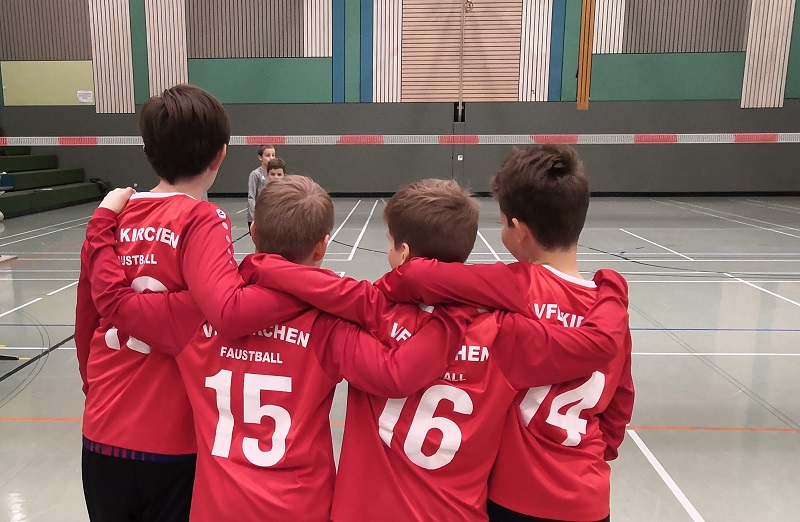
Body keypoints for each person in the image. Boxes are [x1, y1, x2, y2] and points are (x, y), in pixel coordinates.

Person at [83, 176, 479, 521]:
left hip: (218, 507)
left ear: (254, 233)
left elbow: (117, 304)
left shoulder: (196, 316)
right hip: (300, 506)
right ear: (323, 247)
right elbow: (394, 373)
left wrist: (101, 226)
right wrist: (454, 310)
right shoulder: (330, 327)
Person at [240, 177, 631, 520]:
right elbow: (592, 359)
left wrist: (266, 268)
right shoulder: (502, 332)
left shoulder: (369, 315)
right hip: (457, 511)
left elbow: (332, 294)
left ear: (405, 255)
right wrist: (613, 292)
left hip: (365, 511)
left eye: (391, 246)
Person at [74, 84, 308, 521]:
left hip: (102, 426)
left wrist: (96, 388)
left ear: (148, 152)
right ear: (220, 155)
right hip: (172, 435)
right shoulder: (202, 218)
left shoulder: (113, 216)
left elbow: (86, 320)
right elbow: (222, 310)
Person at [376, 146, 635, 522]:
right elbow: (618, 408)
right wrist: (613, 286)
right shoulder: (609, 313)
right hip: (588, 496)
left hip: (517, 494)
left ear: (519, 230)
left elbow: (419, 275)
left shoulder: (511, 287)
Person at [247, 144, 276, 231]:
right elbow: (251, 198)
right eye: (267, 155)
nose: (271, 158)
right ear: (260, 157)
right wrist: (255, 218)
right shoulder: (255, 174)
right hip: (258, 217)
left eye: (273, 155)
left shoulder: (276, 174)